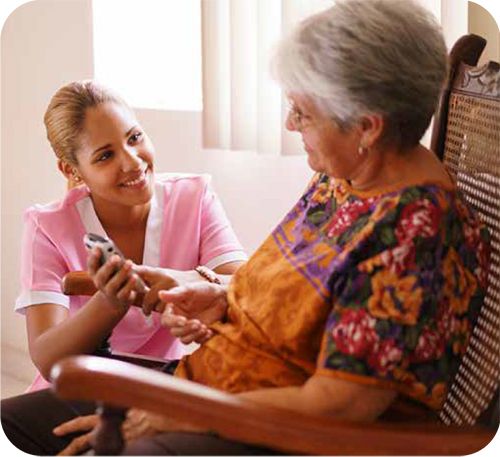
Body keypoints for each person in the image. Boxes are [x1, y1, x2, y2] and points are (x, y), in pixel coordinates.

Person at [3, 0, 491, 454]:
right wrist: (219, 296)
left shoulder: (412, 234)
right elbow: (302, 295)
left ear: (367, 126)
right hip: (208, 384)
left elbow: (340, 405)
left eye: (303, 112)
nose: (289, 124)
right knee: (15, 422)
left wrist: (180, 412)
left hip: (263, 430)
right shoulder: (350, 177)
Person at [1, 80, 246, 454]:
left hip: (171, 380)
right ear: (73, 169)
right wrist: (110, 303)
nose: (132, 161)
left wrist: (186, 281)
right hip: (85, 381)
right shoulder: (48, 225)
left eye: (134, 138)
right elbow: (47, 356)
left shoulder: (194, 195)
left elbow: (245, 285)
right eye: (105, 155)